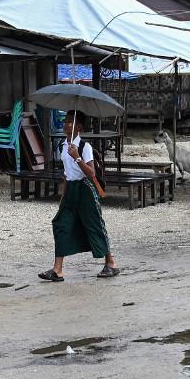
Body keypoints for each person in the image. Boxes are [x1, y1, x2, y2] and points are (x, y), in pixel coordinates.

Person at [38, 111, 119, 281]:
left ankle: (110, 262)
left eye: (69, 122)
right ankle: (57, 269)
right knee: (61, 224)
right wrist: (63, 196)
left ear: (78, 127)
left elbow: (90, 173)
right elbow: (67, 174)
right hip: (71, 190)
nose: (65, 124)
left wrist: (77, 157)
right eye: (66, 121)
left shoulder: (84, 147)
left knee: (94, 224)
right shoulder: (62, 147)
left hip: (86, 189)